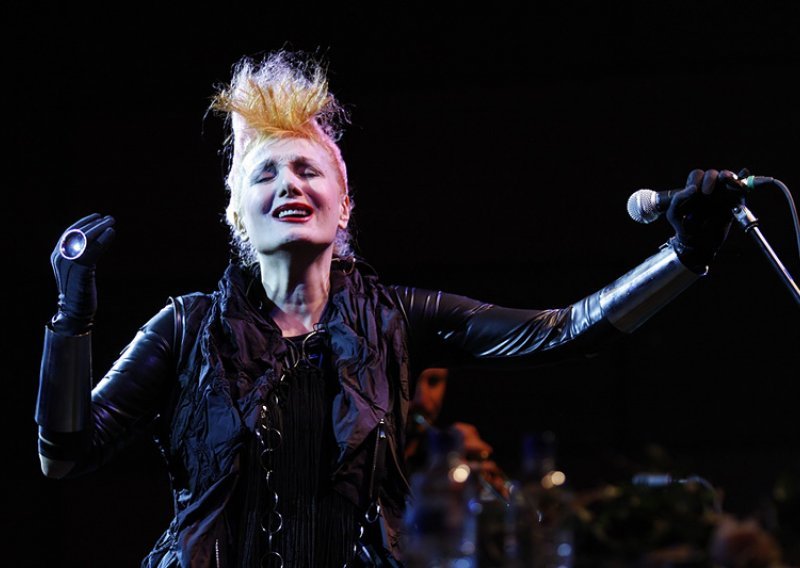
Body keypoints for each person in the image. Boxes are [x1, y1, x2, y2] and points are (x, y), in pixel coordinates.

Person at [35, 49, 743, 567]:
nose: (289, 184)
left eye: (308, 169)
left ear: (343, 206)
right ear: (237, 215)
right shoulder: (187, 327)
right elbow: (63, 456)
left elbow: (563, 331)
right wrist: (71, 320)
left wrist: (683, 257)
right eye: (265, 173)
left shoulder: (396, 317)